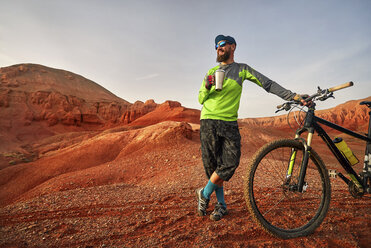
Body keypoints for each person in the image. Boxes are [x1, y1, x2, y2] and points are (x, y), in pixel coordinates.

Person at [196, 34, 309, 221]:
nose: (218, 48)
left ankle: (204, 193)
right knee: (213, 167)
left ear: (233, 47)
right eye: (216, 46)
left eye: (222, 44)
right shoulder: (210, 71)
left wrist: (293, 96)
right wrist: (207, 86)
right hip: (208, 120)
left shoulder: (242, 69)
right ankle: (221, 205)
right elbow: (200, 98)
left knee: (230, 162)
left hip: (229, 121)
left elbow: (268, 84)